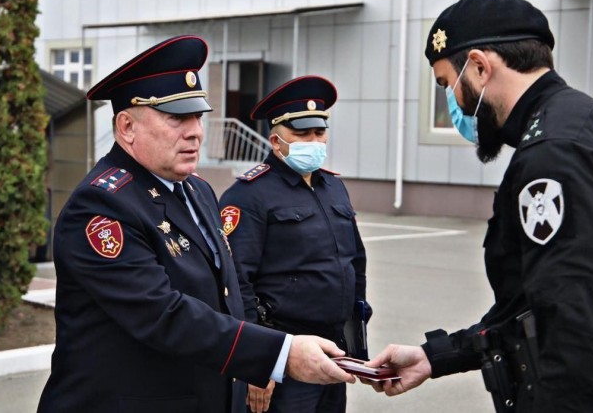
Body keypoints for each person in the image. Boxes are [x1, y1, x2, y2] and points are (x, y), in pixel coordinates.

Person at [364, 0, 593, 412]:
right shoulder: (581, 124)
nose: (455, 104)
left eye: (447, 85)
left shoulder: (555, 155)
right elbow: (532, 307)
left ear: (480, 67)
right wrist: (438, 356)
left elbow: (577, 328)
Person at [37, 36, 356, 413]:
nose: (194, 132)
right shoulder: (101, 205)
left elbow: (229, 288)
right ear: (126, 127)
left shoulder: (198, 190)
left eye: (197, 116)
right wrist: (278, 353)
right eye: (176, 118)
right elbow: (162, 314)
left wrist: (255, 367)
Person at [219, 75, 371, 413]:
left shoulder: (333, 187)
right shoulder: (248, 195)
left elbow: (353, 261)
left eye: (319, 133)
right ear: (276, 140)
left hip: (334, 349)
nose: (314, 141)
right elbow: (235, 283)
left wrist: (357, 341)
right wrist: (256, 364)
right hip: (285, 355)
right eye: (302, 134)